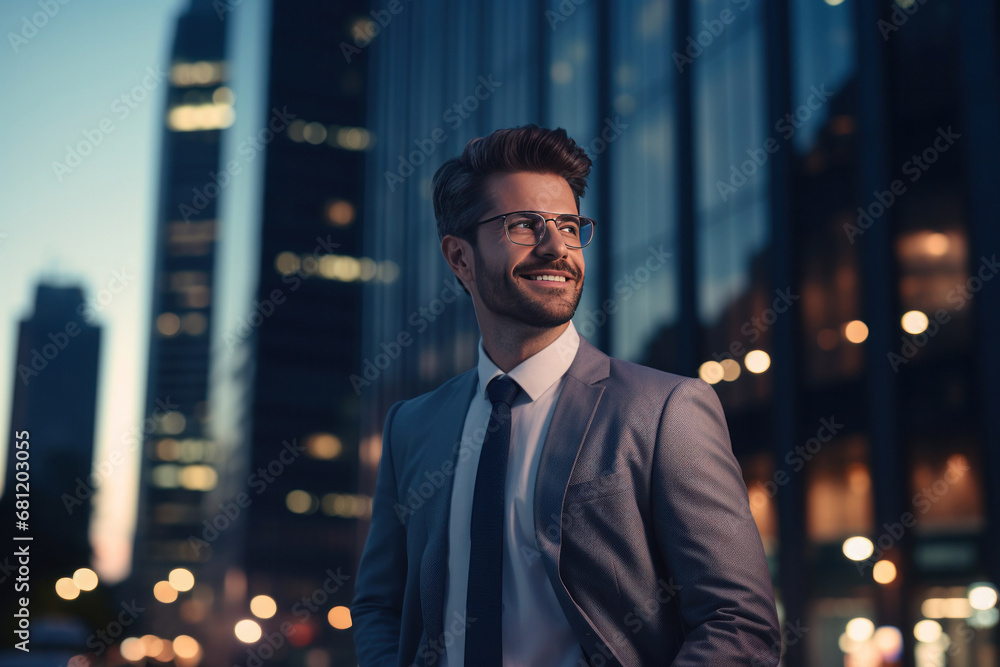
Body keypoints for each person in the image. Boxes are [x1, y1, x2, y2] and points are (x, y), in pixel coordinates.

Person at [352, 125, 780, 666]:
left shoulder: (666, 410)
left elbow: (738, 621)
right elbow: (380, 606)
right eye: (524, 226)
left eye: (570, 226)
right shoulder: (412, 426)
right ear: (459, 258)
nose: (556, 247)